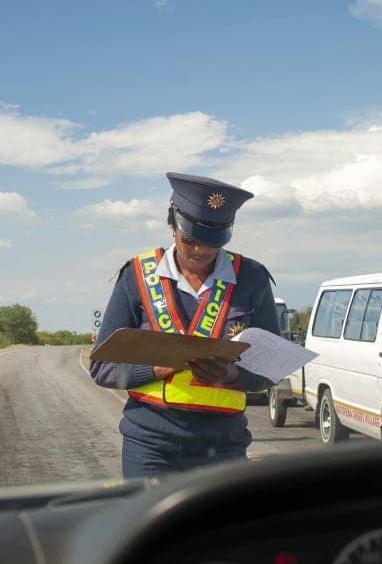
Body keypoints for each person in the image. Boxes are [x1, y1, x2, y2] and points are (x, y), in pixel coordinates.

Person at [90, 172, 279, 478]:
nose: (200, 251)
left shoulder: (251, 277)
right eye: (189, 240)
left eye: (212, 243)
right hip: (150, 446)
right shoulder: (137, 276)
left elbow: (272, 368)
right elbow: (101, 368)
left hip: (225, 447)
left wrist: (233, 375)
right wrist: (155, 369)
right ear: (172, 226)